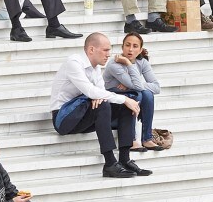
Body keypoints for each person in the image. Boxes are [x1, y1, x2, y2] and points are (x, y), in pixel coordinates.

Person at [50, 33, 148, 176]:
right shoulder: (74, 63)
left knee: (123, 105)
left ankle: (125, 159)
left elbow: (100, 92)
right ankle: (110, 163)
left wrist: (104, 97)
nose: (109, 54)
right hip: (63, 118)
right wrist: (109, 97)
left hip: (83, 114)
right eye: (105, 50)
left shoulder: (95, 67)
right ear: (91, 50)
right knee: (110, 103)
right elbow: (90, 90)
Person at [103, 32, 162, 153]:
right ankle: (131, 139)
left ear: (140, 50)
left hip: (130, 101)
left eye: (135, 46)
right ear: (122, 47)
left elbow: (156, 87)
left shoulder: (142, 63)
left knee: (147, 94)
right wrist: (129, 64)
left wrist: (132, 85)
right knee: (138, 94)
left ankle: (146, 138)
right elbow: (137, 86)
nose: (130, 49)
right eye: (127, 45)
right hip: (112, 106)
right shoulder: (114, 64)